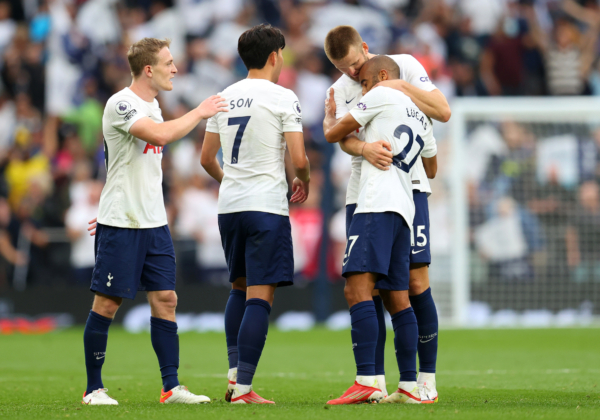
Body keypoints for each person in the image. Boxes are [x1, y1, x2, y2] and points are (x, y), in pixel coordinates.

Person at [82, 37, 228, 406]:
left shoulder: (154, 105)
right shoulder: (122, 103)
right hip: (123, 223)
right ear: (149, 69)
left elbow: (135, 164)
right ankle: (92, 389)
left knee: (166, 298)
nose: (175, 68)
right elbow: (159, 136)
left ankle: (171, 387)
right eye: (168, 62)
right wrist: (200, 111)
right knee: (107, 304)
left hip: (153, 222)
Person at [323, 25, 446, 403]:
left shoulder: (402, 67)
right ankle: (380, 381)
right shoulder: (341, 89)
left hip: (399, 194)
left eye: (357, 65)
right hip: (363, 193)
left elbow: (442, 109)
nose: (353, 75)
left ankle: (423, 379)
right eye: (344, 69)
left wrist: (397, 88)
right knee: (379, 288)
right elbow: (347, 140)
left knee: (412, 283)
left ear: (366, 49)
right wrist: (363, 149)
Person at [200, 24, 310, 405]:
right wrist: (305, 180)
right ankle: (243, 389)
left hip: (229, 207)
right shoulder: (282, 96)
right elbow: (298, 159)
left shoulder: (223, 96)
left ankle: (234, 376)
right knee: (260, 297)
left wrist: (231, 181)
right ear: (275, 55)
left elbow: (205, 158)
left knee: (238, 288)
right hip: (265, 207)